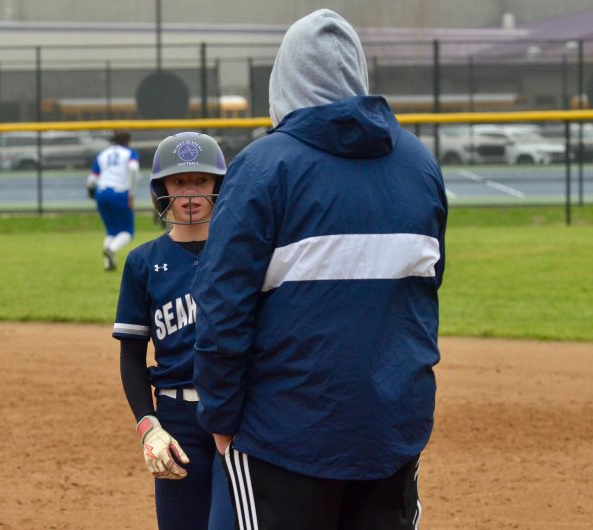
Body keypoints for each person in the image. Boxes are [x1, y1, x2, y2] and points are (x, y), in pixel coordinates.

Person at [191, 9, 448, 530]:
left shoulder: (264, 167)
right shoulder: (420, 165)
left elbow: (222, 306)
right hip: (392, 428)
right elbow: (424, 292)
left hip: (283, 437)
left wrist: (219, 416)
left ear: (283, 81)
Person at [113, 132, 235, 530]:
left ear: (218, 185)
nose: (190, 193)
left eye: (200, 180)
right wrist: (148, 425)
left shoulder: (243, 254)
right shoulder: (143, 262)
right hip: (177, 418)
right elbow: (132, 353)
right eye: (179, 182)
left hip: (239, 412)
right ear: (162, 190)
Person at [87, 129, 140, 271]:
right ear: (128, 141)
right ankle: (111, 249)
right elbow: (134, 169)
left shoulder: (103, 154)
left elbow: (92, 179)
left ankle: (108, 263)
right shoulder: (130, 153)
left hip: (101, 192)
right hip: (120, 192)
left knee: (111, 230)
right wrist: (131, 193)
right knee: (127, 231)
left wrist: (92, 193)